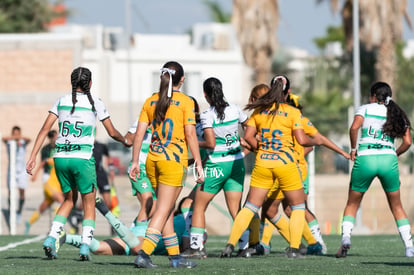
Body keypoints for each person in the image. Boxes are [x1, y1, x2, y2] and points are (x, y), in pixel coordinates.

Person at [26, 66, 128, 261]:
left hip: (61, 157)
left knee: (68, 200)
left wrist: (32, 156)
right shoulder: (96, 102)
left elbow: (43, 129)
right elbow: (112, 132)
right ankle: (84, 247)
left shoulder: (61, 101)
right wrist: (125, 140)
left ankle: (51, 237)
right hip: (82, 158)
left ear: (71, 83)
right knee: (89, 203)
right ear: (90, 84)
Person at [221, 75, 321, 259]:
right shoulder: (291, 112)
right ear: (287, 91)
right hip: (287, 166)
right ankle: (295, 247)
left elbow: (251, 137)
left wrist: (254, 148)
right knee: (292, 208)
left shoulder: (259, 113)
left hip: (266, 165)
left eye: (253, 99)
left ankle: (234, 244)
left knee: (254, 207)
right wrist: (328, 144)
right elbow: (307, 141)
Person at [129, 61, 204, 269]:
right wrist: (198, 162)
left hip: (152, 160)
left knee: (168, 210)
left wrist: (136, 161)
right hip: (173, 161)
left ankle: (175, 258)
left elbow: (139, 134)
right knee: (163, 210)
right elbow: (190, 134)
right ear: (182, 79)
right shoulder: (186, 102)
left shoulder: (150, 101)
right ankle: (144, 254)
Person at [336, 81, 414, 258]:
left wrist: (354, 149)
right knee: (397, 206)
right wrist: (394, 153)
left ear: (373, 96)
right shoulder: (397, 113)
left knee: (352, 203)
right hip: (388, 160)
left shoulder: (365, 108)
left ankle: (346, 239)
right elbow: (408, 142)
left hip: (365, 158)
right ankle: (409, 247)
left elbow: (354, 127)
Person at [180, 77, 249, 259]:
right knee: (236, 209)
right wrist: (243, 140)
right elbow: (249, 126)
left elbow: (210, 143)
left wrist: (194, 142)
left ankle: (196, 248)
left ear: (205, 94)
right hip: (236, 162)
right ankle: (245, 247)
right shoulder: (235, 109)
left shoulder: (206, 114)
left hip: (217, 165)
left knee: (199, 206)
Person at [63, 197, 188, 256]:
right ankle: (107, 213)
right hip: (144, 235)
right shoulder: (182, 220)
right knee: (138, 249)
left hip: (135, 234)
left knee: (97, 248)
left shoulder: (178, 219)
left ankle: (64, 237)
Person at [25, 130, 64, 235]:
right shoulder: (46, 149)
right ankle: (56, 228)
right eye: (55, 136)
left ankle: (28, 223)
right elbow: (44, 162)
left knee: (44, 206)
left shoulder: (60, 147)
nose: (57, 138)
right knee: (62, 201)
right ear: (51, 138)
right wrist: (36, 174)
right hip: (48, 179)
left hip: (57, 179)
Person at [125, 121, 157, 237]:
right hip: (139, 167)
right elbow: (127, 141)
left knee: (154, 207)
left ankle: (132, 231)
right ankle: (139, 238)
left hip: (155, 169)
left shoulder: (168, 120)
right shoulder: (142, 119)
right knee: (147, 201)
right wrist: (142, 128)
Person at [2, 126, 31, 224]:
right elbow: (4, 139)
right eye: (14, 133)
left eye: (17, 133)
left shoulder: (22, 141)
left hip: (21, 170)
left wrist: (19, 138)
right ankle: (11, 211)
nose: (16, 135)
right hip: (12, 170)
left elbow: (29, 139)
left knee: (22, 190)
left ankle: (19, 211)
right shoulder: (9, 141)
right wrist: (14, 138)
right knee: (11, 190)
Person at [93, 139, 115, 234]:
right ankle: (77, 224)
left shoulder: (101, 146)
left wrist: (111, 170)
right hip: (89, 174)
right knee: (85, 202)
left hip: (101, 175)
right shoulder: (85, 144)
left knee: (108, 202)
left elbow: (108, 157)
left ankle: (113, 224)